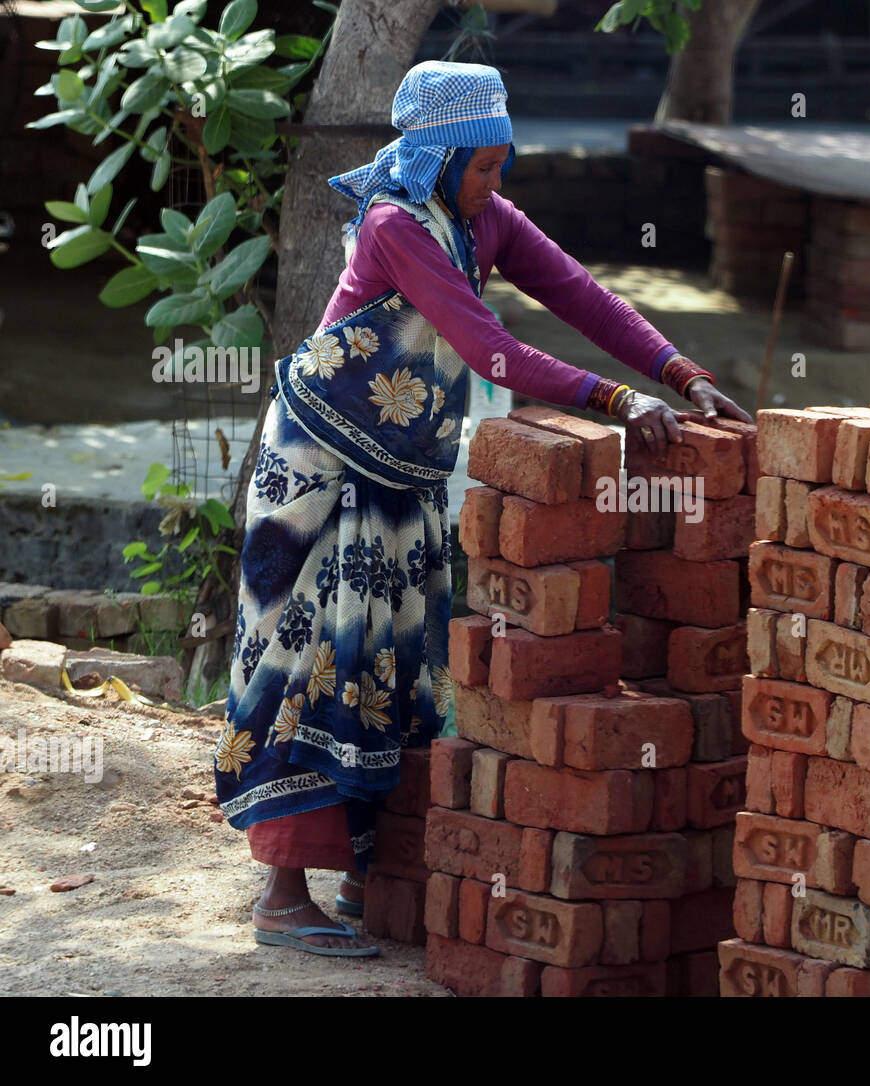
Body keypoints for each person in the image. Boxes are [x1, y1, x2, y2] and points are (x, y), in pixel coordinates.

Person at [214, 59, 752, 956]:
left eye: (502, 164)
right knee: (308, 657)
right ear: (438, 155)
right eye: (485, 165)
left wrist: (678, 371)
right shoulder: (396, 226)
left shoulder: (481, 218)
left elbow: (580, 292)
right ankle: (281, 891)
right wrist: (615, 401)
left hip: (399, 467)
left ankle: (368, 874)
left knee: (393, 659)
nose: (498, 182)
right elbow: (488, 349)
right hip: (324, 465)